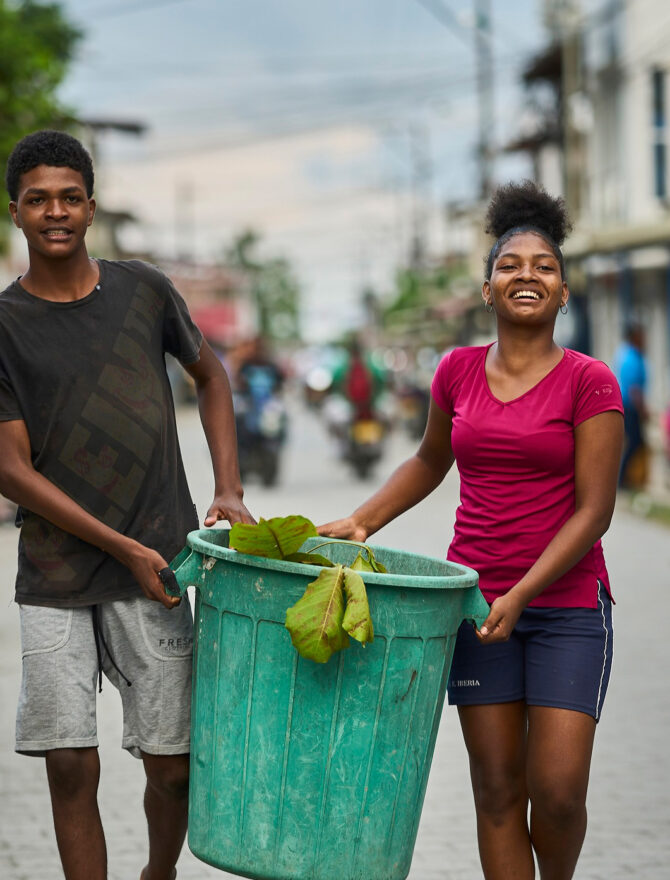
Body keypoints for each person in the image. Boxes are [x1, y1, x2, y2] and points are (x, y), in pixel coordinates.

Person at [319, 180, 624, 880]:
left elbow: (595, 511)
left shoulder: (589, 382)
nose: (527, 276)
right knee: (494, 791)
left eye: (544, 267)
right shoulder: (456, 371)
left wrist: (524, 593)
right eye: (510, 266)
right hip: (477, 607)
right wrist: (362, 520)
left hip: (569, 609)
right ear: (487, 290)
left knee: (557, 792)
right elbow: (430, 459)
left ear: (564, 292)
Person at [0, 130, 255, 880]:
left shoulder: (144, 290)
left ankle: (159, 872)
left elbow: (211, 379)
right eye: (38, 199)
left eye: (69, 197)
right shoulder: (3, 326)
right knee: (69, 764)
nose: (56, 212)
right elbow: (10, 470)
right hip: (55, 575)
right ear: (15, 212)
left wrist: (228, 487)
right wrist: (121, 547)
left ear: (91, 207)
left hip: (160, 562)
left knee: (172, 767)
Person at [614, 323, 648, 488]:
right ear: (634, 336)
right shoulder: (631, 357)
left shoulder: (628, 353)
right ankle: (622, 479)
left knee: (636, 441)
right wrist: (642, 409)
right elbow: (633, 388)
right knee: (634, 441)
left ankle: (632, 479)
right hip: (630, 406)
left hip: (629, 405)